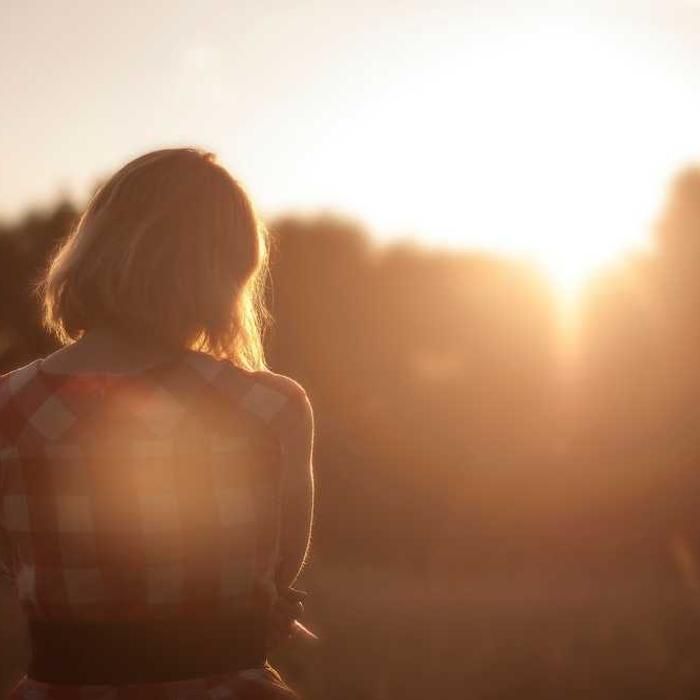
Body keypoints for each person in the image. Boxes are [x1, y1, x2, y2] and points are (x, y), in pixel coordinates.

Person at [0, 148, 315, 699]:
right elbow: (275, 579)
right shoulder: (271, 409)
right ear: (229, 272)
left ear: (93, 248)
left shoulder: (9, 409)